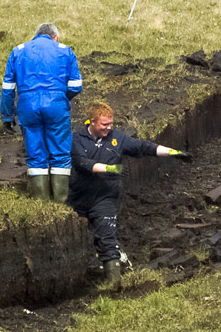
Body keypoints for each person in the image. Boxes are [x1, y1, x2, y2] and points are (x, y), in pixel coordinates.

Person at [68, 102, 191, 286]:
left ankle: (113, 284)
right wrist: (110, 168)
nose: (108, 128)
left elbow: (143, 147)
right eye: (104, 125)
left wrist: (173, 152)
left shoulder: (117, 137)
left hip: (106, 196)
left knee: (106, 237)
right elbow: (81, 162)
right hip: (79, 195)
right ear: (92, 122)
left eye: (111, 124)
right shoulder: (77, 138)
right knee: (71, 235)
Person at [0, 22, 82, 202]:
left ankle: (41, 203)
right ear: (55, 37)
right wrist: (61, 98)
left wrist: (7, 116)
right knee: (60, 153)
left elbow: (7, 89)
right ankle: (60, 201)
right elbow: (76, 86)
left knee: (35, 153)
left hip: (27, 106)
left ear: (36, 36)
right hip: (56, 106)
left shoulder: (18, 51)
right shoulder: (65, 51)